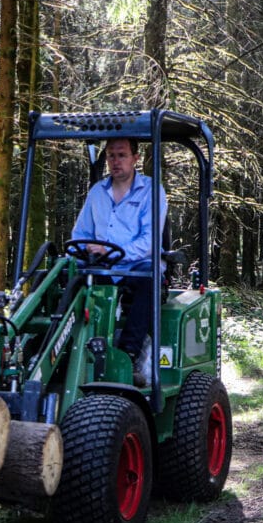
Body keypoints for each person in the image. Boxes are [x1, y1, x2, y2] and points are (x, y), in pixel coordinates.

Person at [71, 138, 167, 386]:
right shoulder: (97, 192)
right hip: (102, 266)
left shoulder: (151, 191)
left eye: (122, 155)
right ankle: (78, 350)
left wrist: (114, 252)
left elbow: (149, 243)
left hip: (137, 265)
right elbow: (80, 234)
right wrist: (86, 250)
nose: (116, 161)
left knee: (148, 277)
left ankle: (130, 355)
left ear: (135, 158)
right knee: (72, 276)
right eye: (111, 155)